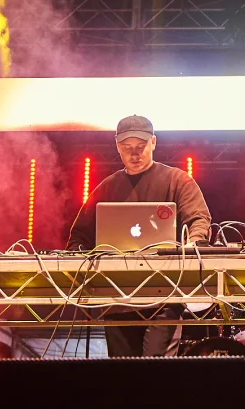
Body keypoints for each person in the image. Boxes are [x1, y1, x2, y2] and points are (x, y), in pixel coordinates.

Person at [67, 115, 212, 357]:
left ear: (153, 142)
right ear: (117, 147)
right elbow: (79, 236)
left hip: (165, 295)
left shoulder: (177, 181)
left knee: (155, 367)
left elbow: (198, 220)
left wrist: (193, 242)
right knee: (124, 371)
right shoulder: (106, 188)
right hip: (116, 298)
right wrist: (79, 259)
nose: (134, 154)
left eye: (141, 146)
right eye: (127, 148)